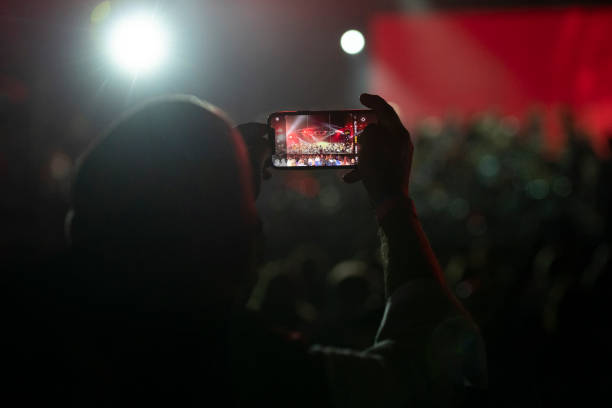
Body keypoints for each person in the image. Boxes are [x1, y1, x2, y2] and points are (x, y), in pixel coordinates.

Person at [15, 93, 486, 406]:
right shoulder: (239, 367)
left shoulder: (30, 327)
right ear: (233, 247)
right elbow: (437, 375)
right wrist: (392, 200)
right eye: (245, 214)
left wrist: (214, 184)